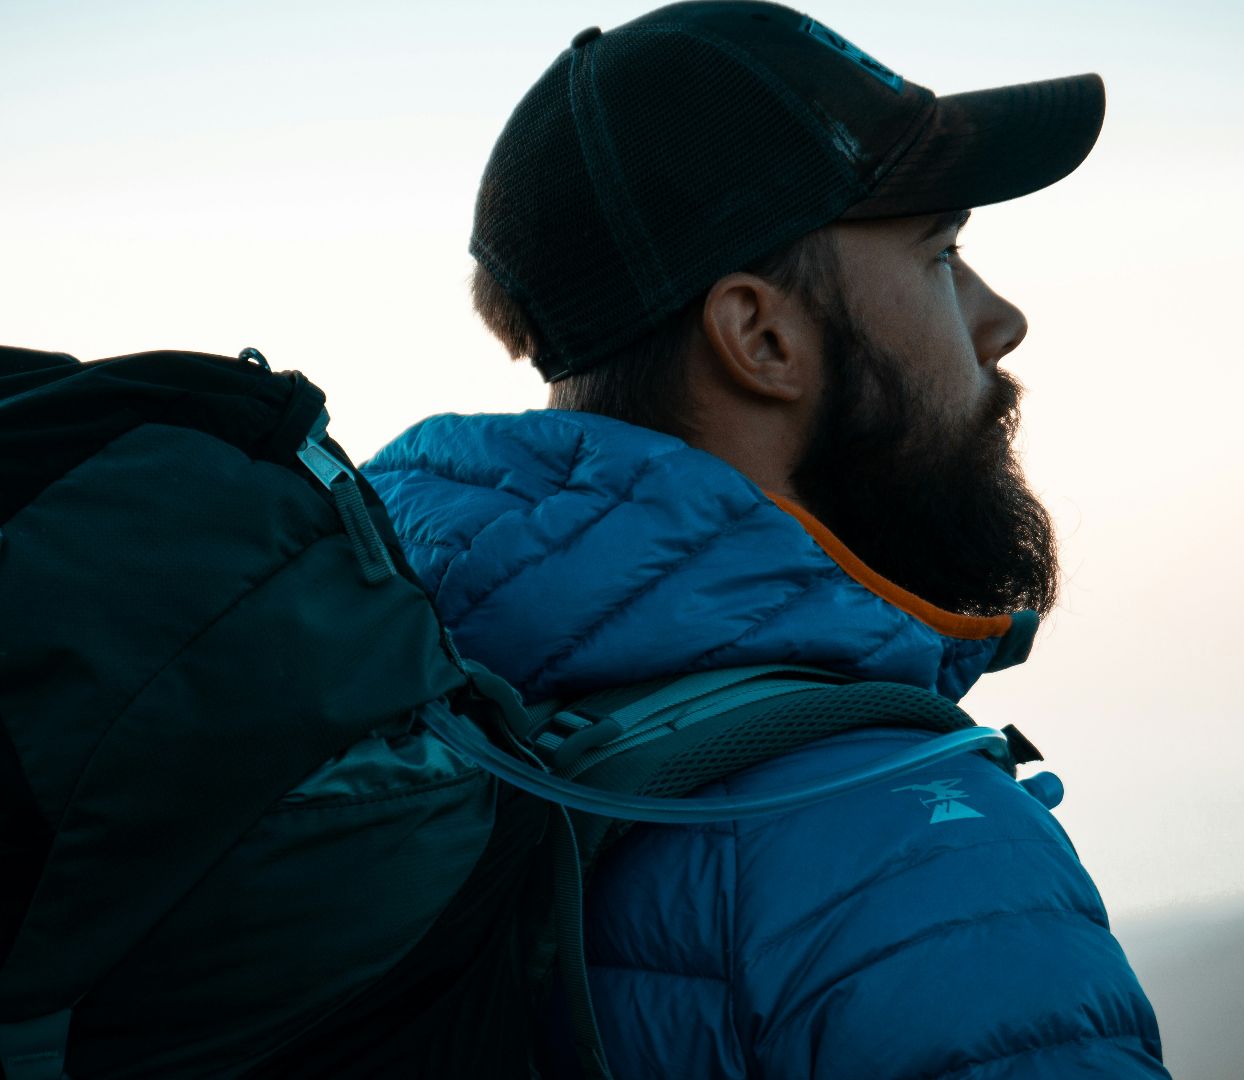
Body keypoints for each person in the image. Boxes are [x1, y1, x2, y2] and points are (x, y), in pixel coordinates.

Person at [362, 2, 1170, 1075]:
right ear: (762, 336)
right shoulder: (909, 855)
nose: (999, 318)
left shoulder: (423, 716)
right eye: (941, 254)